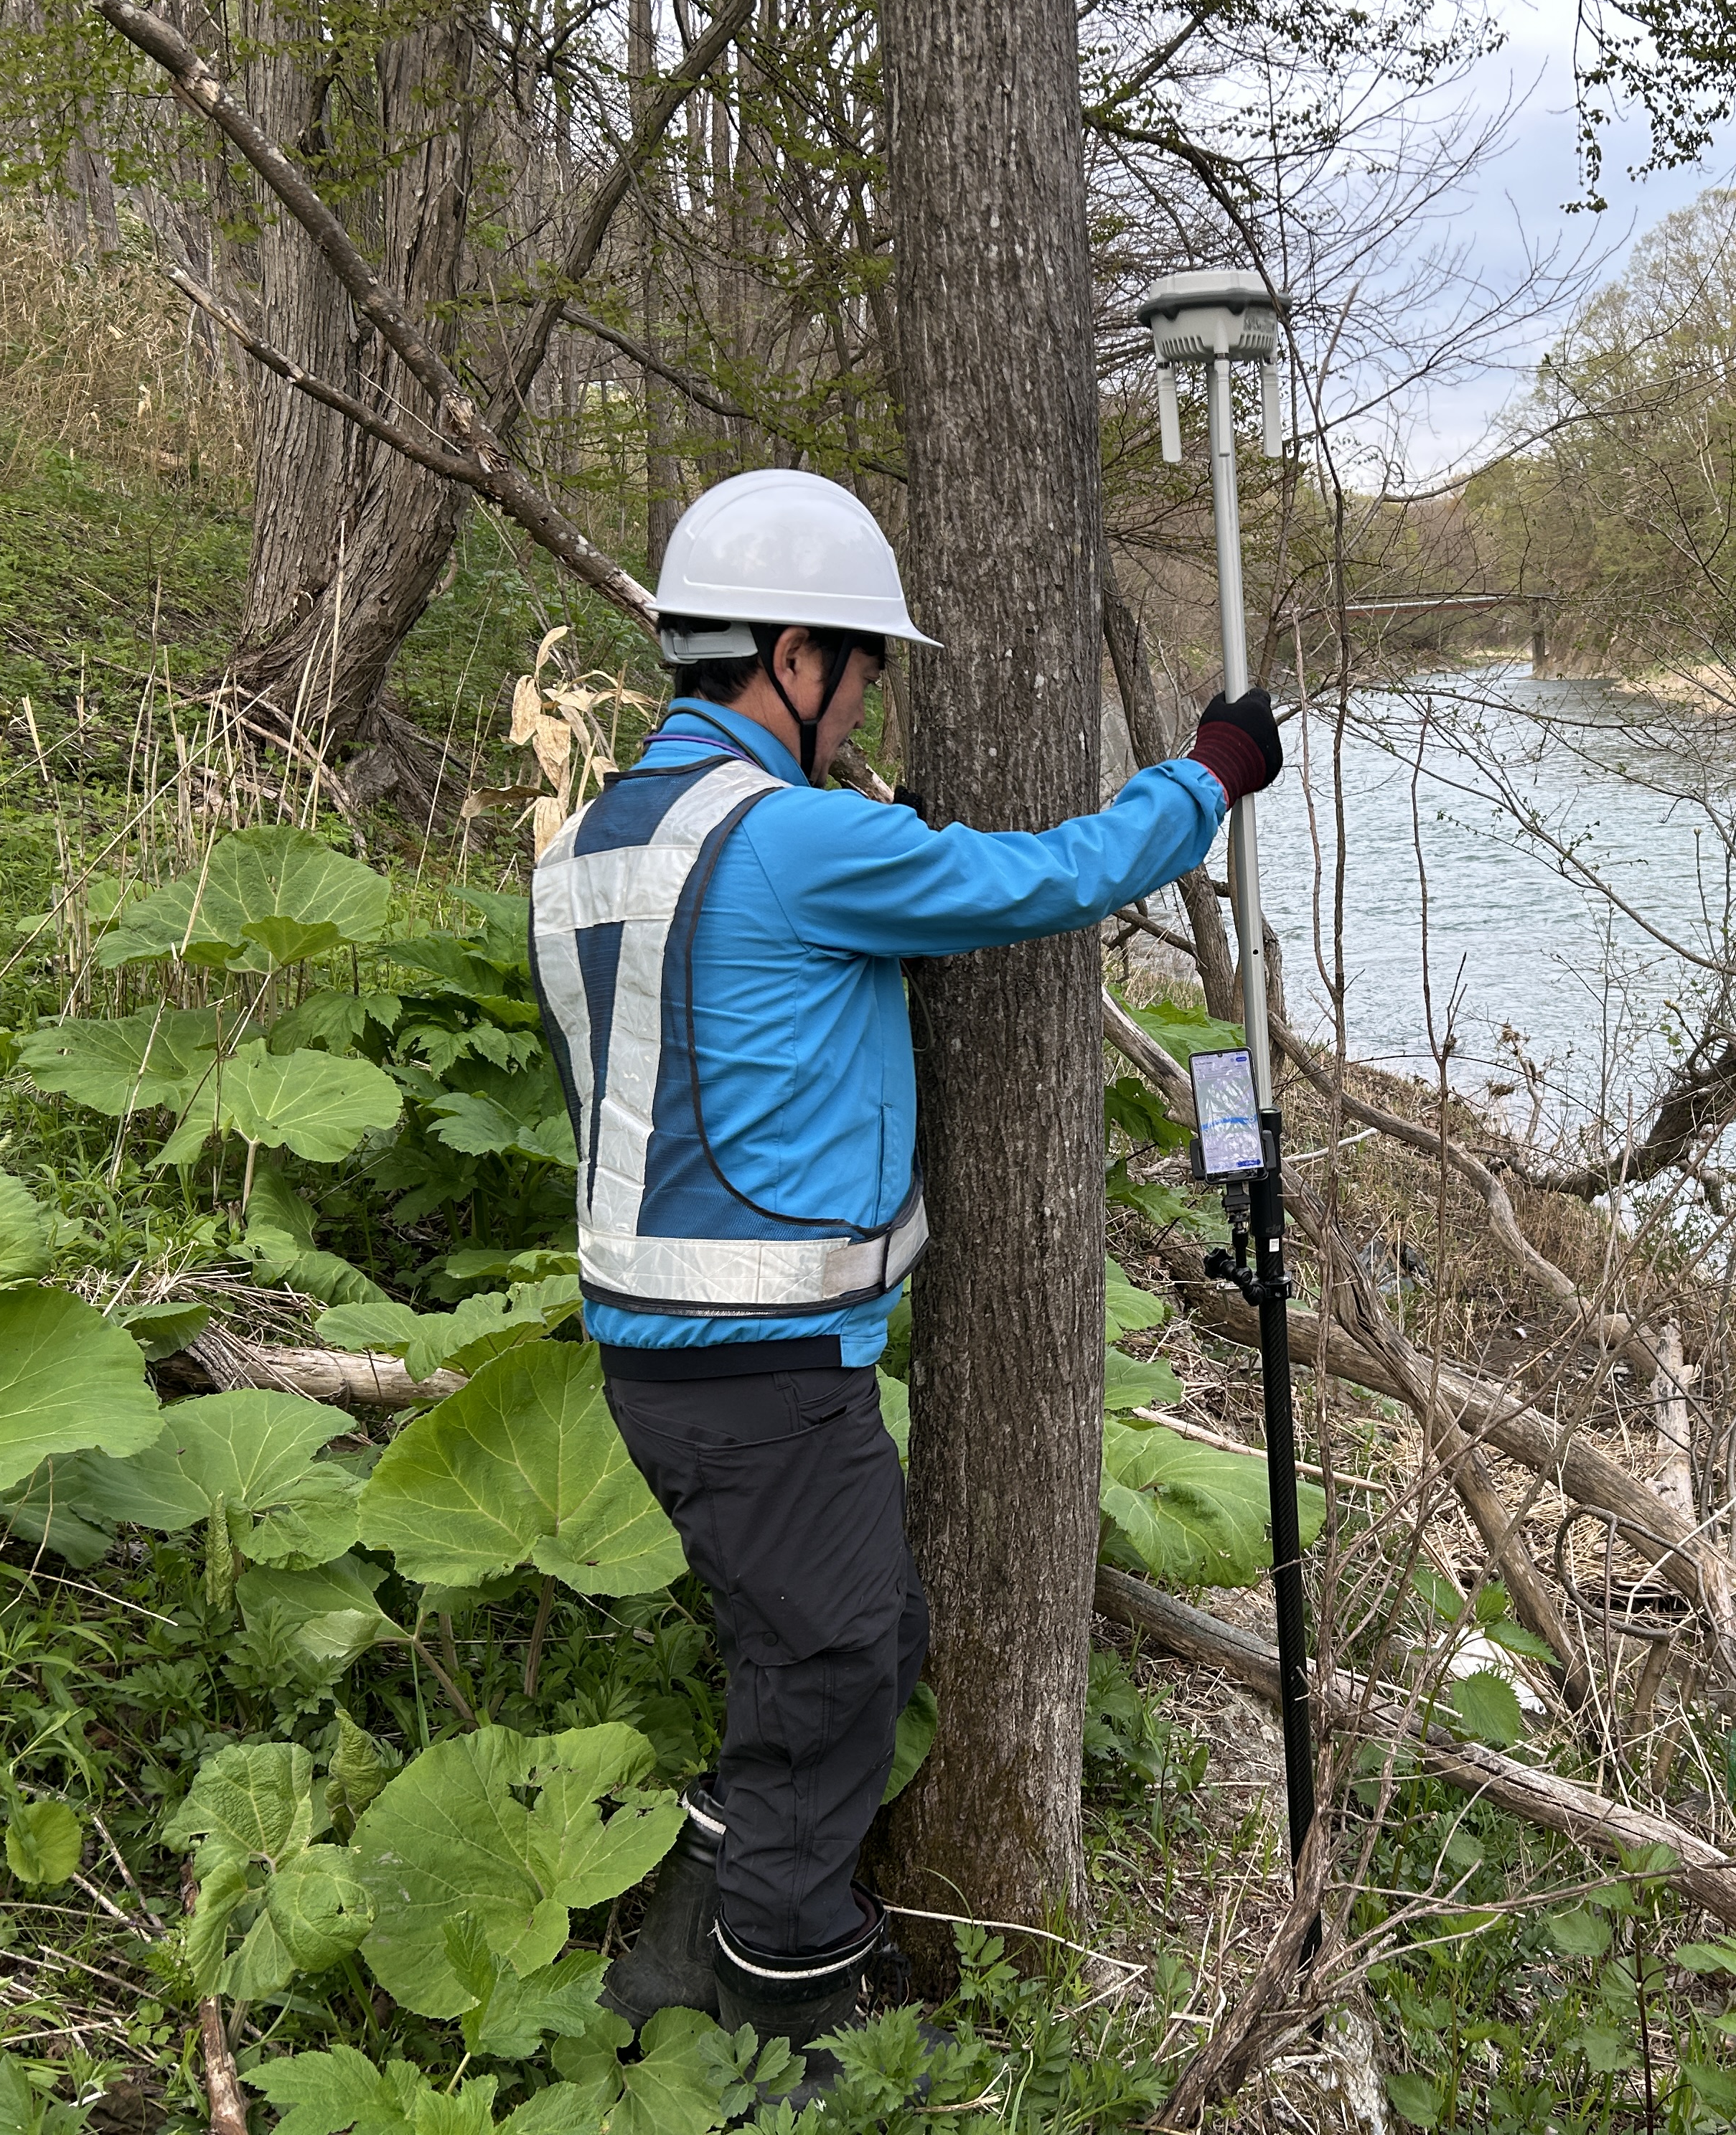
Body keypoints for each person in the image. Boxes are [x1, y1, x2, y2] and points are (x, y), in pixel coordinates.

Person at [530, 468, 1282, 2091]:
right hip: (759, 1360)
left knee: (789, 1642)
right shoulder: (791, 840)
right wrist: (1207, 780)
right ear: (791, 657)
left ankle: (692, 1937)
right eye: (864, 661)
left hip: (656, 1352)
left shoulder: (594, 845)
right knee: (849, 1655)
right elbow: (1039, 882)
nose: (870, 692)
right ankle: (788, 1991)